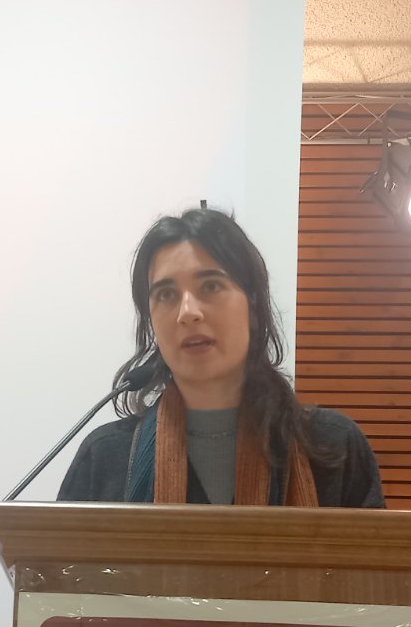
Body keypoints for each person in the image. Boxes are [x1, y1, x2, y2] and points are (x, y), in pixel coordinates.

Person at [58, 207, 385, 508]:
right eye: (166, 294)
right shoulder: (103, 457)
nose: (188, 312)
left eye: (211, 286)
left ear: (252, 305)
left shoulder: (335, 446)